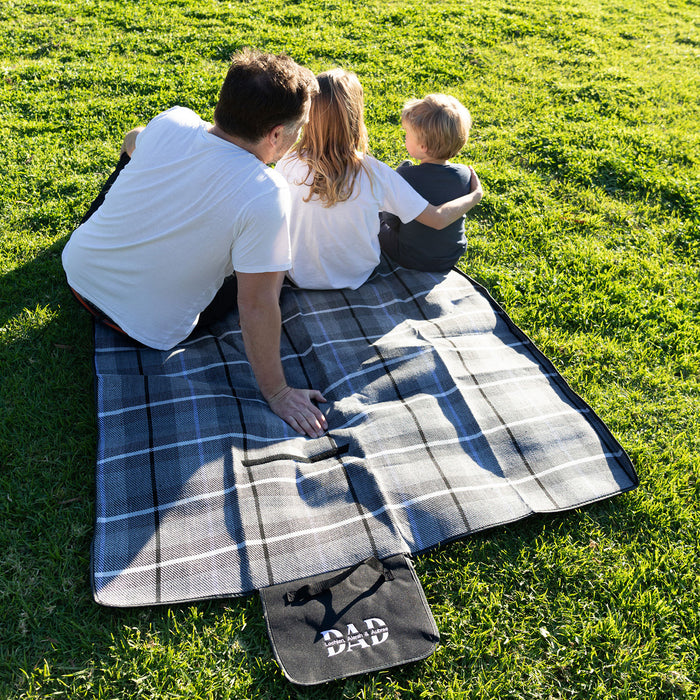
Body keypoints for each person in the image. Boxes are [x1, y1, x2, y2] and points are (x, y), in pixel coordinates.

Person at [62, 49, 328, 438]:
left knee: (136, 146)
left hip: (78, 274)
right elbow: (255, 306)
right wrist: (278, 392)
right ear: (275, 135)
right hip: (147, 330)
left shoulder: (175, 120)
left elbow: (133, 140)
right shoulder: (266, 194)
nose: (300, 134)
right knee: (272, 273)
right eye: (299, 126)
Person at [275, 69, 483, 291]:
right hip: (358, 274)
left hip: (300, 275)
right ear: (355, 116)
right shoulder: (376, 173)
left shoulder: (287, 163)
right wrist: (475, 196)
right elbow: (438, 219)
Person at [379, 94, 474, 272]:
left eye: (407, 134)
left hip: (409, 256)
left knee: (378, 221)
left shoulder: (405, 176)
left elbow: (391, 219)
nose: (405, 137)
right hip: (451, 255)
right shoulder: (465, 174)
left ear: (423, 147)